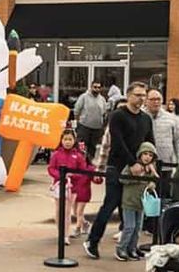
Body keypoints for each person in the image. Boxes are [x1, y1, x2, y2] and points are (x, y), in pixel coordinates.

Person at [84, 82, 152, 260]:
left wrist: (149, 163)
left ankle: (130, 246)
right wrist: (132, 163)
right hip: (118, 167)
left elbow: (149, 143)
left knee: (133, 206)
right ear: (128, 95)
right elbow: (118, 142)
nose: (141, 98)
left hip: (139, 170)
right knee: (111, 203)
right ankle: (92, 240)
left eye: (143, 95)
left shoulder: (146, 119)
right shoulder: (118, 116)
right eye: (137, 95)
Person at [47, 127, 99, 240]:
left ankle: (65, 234)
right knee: (58, 210)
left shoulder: (78, 156)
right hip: (59, 186)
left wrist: (72, 175)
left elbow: (82, 171)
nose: (67, 142)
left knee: (67, 211)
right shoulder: (56, 154)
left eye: (70, 139)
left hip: (72, 187)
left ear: (74, 140)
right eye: (65, 139)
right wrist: (60, 176)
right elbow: (51, 169)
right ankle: (60, 232)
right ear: (61, 140)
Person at [117, 141, 159, 261]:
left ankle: (132, 248)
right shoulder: (132, 167)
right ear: (140, 154)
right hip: (129, 202)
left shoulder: (150, 169)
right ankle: (121, 248)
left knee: (137, 228)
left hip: (141, 203)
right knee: (129, 227)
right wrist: (136, 178)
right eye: (145, 153)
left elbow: (154, 180)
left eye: (150, 155)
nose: (147, 157)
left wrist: (152, 183)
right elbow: (122, 179)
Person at [144, 88, 179, 190]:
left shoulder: (171, 118)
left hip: (166, 164)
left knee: (164, 195)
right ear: (146, 100)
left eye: (158, 99)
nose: (156, 102)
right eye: (152, 99)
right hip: (144, 165)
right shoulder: (140, 116)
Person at [72, 80, 109, 161]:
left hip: (97, 128)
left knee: (93, 148)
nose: (97, 89)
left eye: (99, 87)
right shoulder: (84, 97)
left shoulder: (102, 99)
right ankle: (79, 162)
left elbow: (104, 113)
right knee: (81, 146)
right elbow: (76, 110)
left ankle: (89, 164)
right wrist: (78, 123)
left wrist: (103, 126)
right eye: (95, 87)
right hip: (84, 126)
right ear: (91, 87)